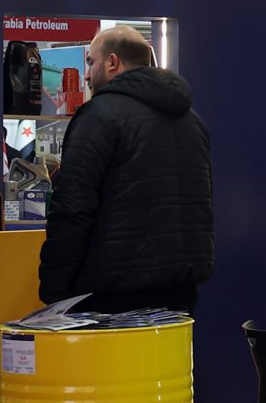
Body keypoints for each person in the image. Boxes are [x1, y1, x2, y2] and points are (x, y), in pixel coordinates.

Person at [38, 25, 214, 313]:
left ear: (112, 62)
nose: (86, 74)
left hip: (111, 298)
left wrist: (54, 290)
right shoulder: (193, 122)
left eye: (91, 62)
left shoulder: (98, 116)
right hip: (181, 294)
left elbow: (72, 208)